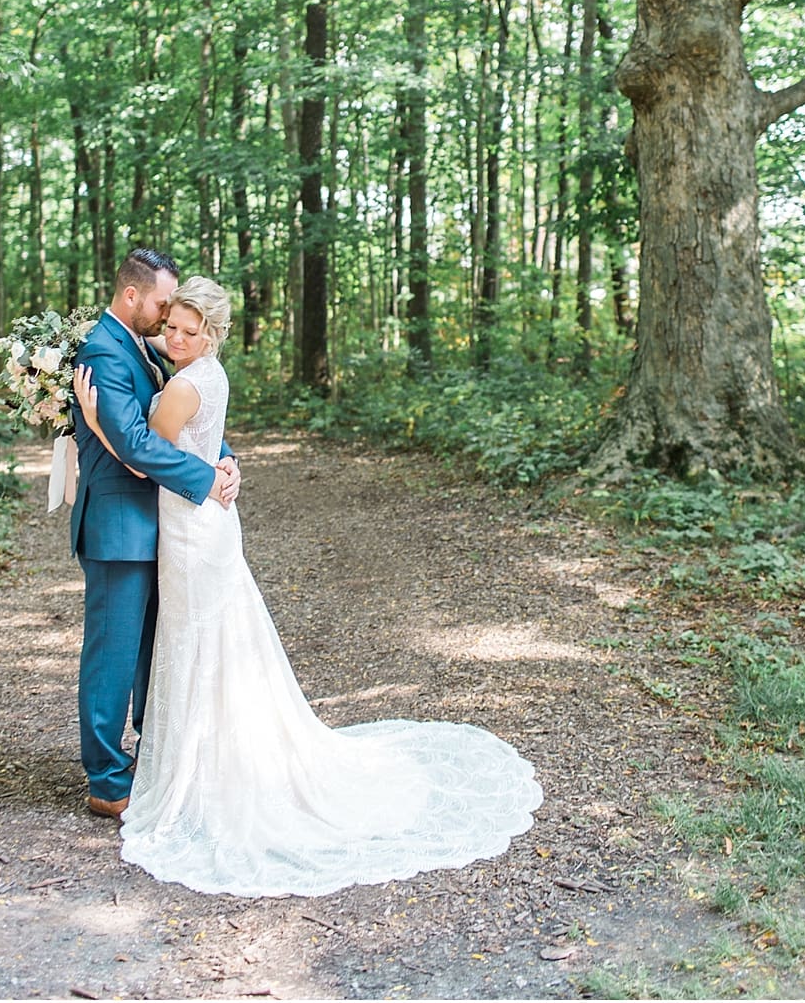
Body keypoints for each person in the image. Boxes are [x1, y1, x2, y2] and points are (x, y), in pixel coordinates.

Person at [73, 275, 543, 895]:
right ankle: (160, 764)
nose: (171, 331)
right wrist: (207, 457)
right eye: (169, 320)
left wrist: (99, 417)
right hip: (183, 523)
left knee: (192, 641)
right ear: (138, 299)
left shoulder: (181, 367)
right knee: (185, 642)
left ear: (209, 334)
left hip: (189, 523)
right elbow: (175, 417)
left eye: (186, 327)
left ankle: (195, 767)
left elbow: (144, 439)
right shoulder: (153, 355)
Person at [69, 246, 240, 819]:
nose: (170, 320)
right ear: (132, 295)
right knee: (112, 656)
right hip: (119, 524)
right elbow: (137, 444)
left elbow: (185, 415)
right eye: (164, 305)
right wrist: (206, 479)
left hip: (162, 524)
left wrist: (226, 457)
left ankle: (157, 757)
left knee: (152, 652)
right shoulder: (103, 351)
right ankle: (107, 780)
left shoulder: (145, 345)